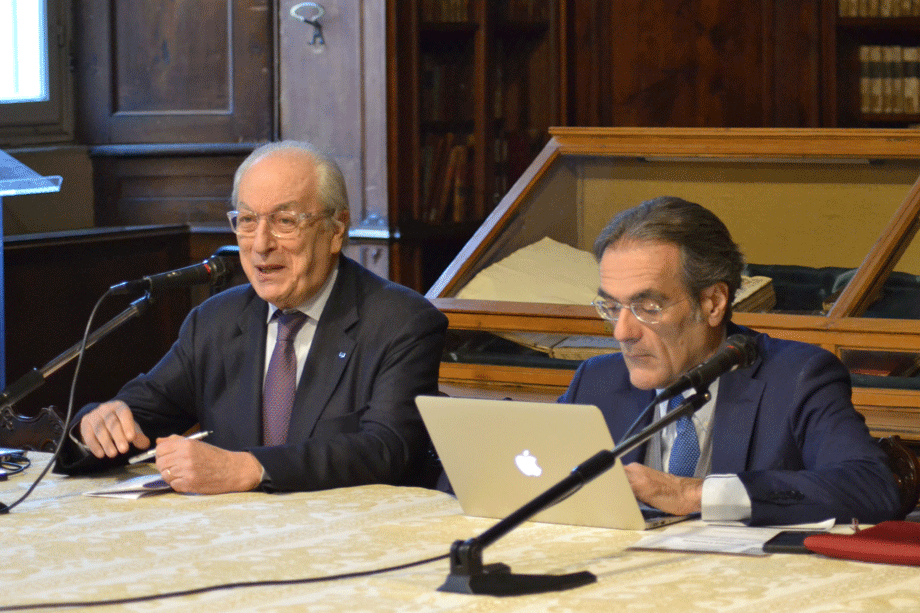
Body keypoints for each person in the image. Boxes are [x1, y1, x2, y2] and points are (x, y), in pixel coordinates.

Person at [55, 141, 448, 494]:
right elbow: (139, 413)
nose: (261, 244)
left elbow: (386, 448)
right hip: (235, 543)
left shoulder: (401, 322)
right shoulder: (215, 321)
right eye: (246, 221)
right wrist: (96, 427)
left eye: (285, 221)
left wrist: (251, 468)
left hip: (350, 544)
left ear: (336, 229)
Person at [560, 196, 900, 526]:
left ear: (713, 303)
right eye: (612, 307)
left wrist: (695, 494)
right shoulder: (596, 381)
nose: (622, 332)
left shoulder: (796, 377)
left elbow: (871, 487)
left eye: (648, 307)